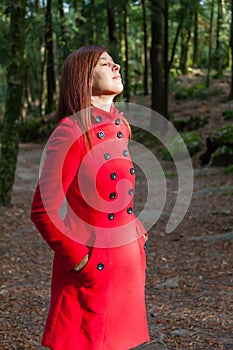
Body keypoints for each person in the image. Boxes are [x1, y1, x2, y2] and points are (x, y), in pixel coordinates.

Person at [31, 45, 149, 350]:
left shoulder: (120, 126)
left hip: (125, 263)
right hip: (92, 268)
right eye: (105, 63)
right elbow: (44, 210)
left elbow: (112, 193)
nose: (117, 66)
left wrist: (133, 225)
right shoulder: (70, 131)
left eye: (114, 62)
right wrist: (82, 261)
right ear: (83, 78)